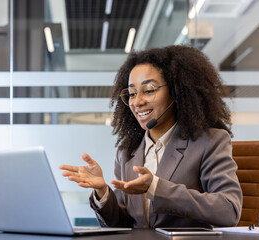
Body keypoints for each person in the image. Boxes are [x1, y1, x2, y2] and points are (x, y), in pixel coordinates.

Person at [59, 45, 242, 229]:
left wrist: (155, 187)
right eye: (132, 93)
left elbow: (229, 210)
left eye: (149, 90)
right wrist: (102, 192)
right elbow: (123, 224)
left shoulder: (209, 142)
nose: (137, 102)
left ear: (176, 91)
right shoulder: (126, 152)